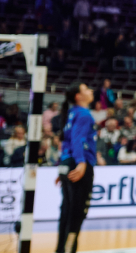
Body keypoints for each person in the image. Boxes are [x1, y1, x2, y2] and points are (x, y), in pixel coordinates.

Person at [56, 83, 97, 253]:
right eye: (86, 89)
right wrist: (81, 162)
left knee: (67, 209)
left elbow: (65, 141)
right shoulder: (83, 114)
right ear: (79, 96)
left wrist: (63, 166)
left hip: (67, 162)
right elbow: (78, 140)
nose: (91, 90)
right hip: (79, 163)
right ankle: (68, 250)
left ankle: (60, 249)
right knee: (78, 211)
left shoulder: (71, 113)